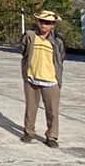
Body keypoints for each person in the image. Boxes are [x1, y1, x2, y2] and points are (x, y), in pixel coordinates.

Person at [20, 10, 66, 148]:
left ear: (53, 25)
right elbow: (23, 51)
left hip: (51, 79)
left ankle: (51, 136)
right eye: (42, 22)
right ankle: (29, 132)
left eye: (48, 23)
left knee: (52, 110)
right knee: (30, 108)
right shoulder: (30, 36)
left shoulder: (57, 40)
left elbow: (61, 57)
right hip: (32, 77)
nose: (44, 25)